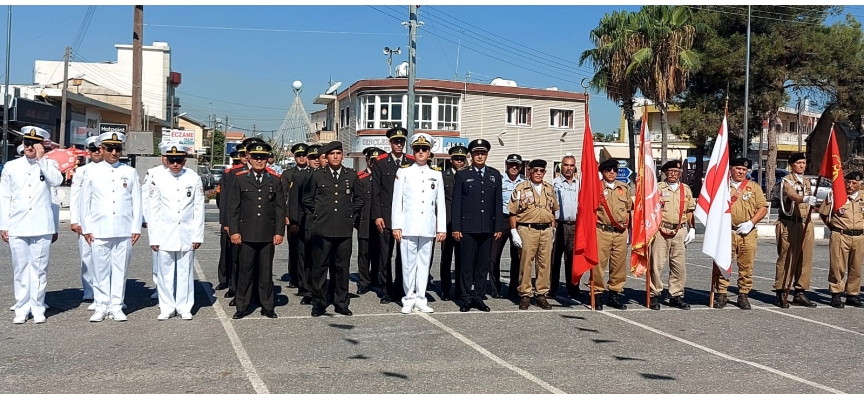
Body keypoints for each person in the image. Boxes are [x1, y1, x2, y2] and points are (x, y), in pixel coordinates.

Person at [0, 126, 62, 324]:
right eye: (27, 143)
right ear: (22, 144)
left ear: (42, 145)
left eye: (34, 144)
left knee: (39, 268)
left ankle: (37, 306)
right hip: (17, 224)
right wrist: (4, 224)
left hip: (41, 225)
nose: (30, 148)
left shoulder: (49, 164)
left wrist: (42, 160)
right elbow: (5, 197)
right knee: (20, 267)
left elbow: (56, 181)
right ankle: (21, 306)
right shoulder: (12, 166)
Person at [79, 132, 142, 322]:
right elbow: (85, 202)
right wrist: (86, 228)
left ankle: (116, 305)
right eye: (110, 149)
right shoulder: (91, 171)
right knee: (99, 269)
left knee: (120, 269)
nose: (114, 152)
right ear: (102, 150)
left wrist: (136, 227)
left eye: (118, 149)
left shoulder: (129, 172)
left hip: (123, 229)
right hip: (99, 228)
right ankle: (101, 305)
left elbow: (137, 202)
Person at [301, 141, 364, 317]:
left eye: (338, 153)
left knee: (341, 268)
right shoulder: (317, 176)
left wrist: (349, 214)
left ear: (342, 155)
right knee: (320, 268)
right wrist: (319, 214)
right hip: (322, 229)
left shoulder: (350, 175)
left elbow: (359, 199)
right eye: (332, 153)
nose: (335, 156)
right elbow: (307, 199)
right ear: (326, 157)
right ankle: (319, 303)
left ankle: (341, 302)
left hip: (343, 230)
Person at [228, 141, 285, 319]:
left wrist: (279, 232)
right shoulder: (240, 178)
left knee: (266, 272)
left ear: (267, 159)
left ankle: (267, 306)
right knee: (245, 271)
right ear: (249, 159)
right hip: (245, 234)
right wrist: (234, 231)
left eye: (263, 158)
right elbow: (234, 208)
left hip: (267, 235)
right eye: (256, 158)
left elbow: (279, 209)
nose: (259, 161)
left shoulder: (275, 180)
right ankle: (242, 306)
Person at [147, 145, 205, 320]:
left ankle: (184, 306)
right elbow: (153, 210)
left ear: (184, 161)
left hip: (186, 232)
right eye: (171, 161)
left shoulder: (193, 178)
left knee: (185, 272)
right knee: (165, 272)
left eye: (178, 161)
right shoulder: (158, 178)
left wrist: (197, 235)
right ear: (166, 160)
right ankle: (166, 307)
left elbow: (198, 209)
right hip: (165, 232)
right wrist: (154, 237)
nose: (175, 165)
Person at [391, 134, 446, 314]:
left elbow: (440, 204)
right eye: (417, 149)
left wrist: (441, 228)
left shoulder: (436, 174)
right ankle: (408, 298)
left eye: (424, 149)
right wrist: (396, 226)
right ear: (413, 151)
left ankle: (421, 298)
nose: (420, 152)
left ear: (430, 152)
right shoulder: (404, 172)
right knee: (407, 264)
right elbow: (397, 201)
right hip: (408, 226)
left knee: (424, 264)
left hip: (427, 227)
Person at [453, 139, 504, 312]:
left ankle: (479, 296)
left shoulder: (494, 175)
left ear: (487, 155)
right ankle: (466, 297)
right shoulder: (462, 175)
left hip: (487, 228)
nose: (480, 156)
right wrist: (456, 227)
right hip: (468, 227)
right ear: (471, 155)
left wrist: (498, 227)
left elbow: (498, 203)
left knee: (483, 265)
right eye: (476, 153)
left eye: (482, 153)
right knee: (467, 264)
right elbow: (457, 204)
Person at [713, 158, 767, 309]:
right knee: (723, 263)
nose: (741, 172)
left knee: (746, 266)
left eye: (744, 170)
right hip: (726, 231)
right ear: (731, 169)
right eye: (738, 169)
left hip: (747, 232)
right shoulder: (722, 186)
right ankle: (722, 293)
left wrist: (751, 223)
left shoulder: (753, 187)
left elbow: (762, 208)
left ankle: (743, 294)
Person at [371, 127, 415, 304]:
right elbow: (376, 192)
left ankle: (400, 287)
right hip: (387, 216)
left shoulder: (411, 161)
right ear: (390, 143)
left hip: (406, 217)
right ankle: (386, 290)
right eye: (395, 141)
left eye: (401, 141)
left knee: (403, 255)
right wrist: (377, 216)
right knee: (385, 255)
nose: (399, 144)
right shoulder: (380, 162)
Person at [508, 159, 559, 310]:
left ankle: (541, 294)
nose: (538, 173)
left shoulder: (549, 188)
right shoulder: (521, 188)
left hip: (546, 230)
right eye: (535, 170)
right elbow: (513, 212)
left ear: (544, 172)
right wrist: (513, 231)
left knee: (544, 263)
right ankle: (525, 294)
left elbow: (553, 210)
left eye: (541, 171)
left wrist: (553, 228)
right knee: (526, 262)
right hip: (527, 229)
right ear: (529, 171)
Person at [649, 160, 696, 310]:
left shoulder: (686, 189)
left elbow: (689, 211)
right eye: (670, 172)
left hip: (680, 230)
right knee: (656, 265)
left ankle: (676, 295)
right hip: (660, 230)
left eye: (676, 172)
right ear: (665, 173)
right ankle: (654, 294)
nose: (673, 174)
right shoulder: (657, 188)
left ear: (680, 174)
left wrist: (692, 228)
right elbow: (650, 209)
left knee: (679, 266)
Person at [774, 152, 817, 308]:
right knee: (786, 258)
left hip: (806, 223)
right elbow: (792, 195)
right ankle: (781, 290)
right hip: (790, 223)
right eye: (799, 163)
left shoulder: (806, 182)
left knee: (805, 258)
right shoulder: (786, 181)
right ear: (791, 165)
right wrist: (804, 199)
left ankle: (800, 291)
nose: (801, 165)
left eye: (804, 163)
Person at [819, 171, 864, 309]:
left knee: (856, 267)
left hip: (859, 236)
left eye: (854, 183)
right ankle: (836, 294)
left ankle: (852, 295)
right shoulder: (835, 195)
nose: (850, 185)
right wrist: (834, 228)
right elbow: (824, 213)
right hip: (840, 234)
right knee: (837, 266)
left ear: (861, 184)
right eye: (848, 182)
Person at [592, 159, 632, 310]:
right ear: (602, 172)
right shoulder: (596, 188)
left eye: (614, 170)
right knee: (598, 265)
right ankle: (597, 293)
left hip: (620, 232)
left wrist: (630, 231)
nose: (611, 173)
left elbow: (628, 210)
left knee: (618, 265)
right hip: (602, 231)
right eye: (608, 170)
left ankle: (614, 294)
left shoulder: (624, 188)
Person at [69, 136, 103, 304]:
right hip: (85, 219)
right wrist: (75, 220)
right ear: (89, 152)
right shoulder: (82, 171)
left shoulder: (111, 170)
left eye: (99, 149)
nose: (97, 152)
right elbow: (74, 196)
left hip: (103, 220)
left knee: (104, 258)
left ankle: (103, 290)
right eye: (93, 149)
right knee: (87, 257)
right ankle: (89, 290)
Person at [289, 144, 321, 305]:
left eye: (317, 157)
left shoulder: (323, 175)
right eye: (312, 158)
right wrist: (294, 221)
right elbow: (294, 201)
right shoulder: (300, 177)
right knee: (304, 256)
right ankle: (305, 288)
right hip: (304, 221)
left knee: (318, 258)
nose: (315, 161)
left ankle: (317, 287)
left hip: (322, 223)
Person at [490, 153, 524, 298]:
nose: (513, 167)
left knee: (517, 257)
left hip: (518, 221)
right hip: (501, 220)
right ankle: (495, 287)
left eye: (516, 165)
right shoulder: (499, 180)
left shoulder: (524, 183)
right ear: (506, 165)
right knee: (494, 256)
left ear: (521, 167)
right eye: (511, 164)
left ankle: (514, 288)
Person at [142, 142, 171, 300]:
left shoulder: (183, 173)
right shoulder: (153, 173)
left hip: (174, 221)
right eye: (166, 156)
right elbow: (145, 195)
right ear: (162, 157)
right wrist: (144, 217)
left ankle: (173, 287)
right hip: (157, 220)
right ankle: (158, 286)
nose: (168, 160)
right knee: (157, 256)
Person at [439, 144, 468, 301]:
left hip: (464, 224)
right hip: (448, 222)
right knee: (446, 257)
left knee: (462, 258)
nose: (459, 162)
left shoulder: (469, 176)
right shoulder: (443, 176)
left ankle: (459, 289)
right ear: (451, 160)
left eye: (462, 159)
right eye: (457, 159)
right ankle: (445, 289)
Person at [550, 154, 580, 299]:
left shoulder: (580, 184)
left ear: (575, 167)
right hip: (558, 224)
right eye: (566, 165)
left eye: (571, 165)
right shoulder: (553, 183)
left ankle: (573, 288)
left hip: (575, 226)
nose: (569, 168)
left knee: (573, 259)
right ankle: (552, 288)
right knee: (554, 259)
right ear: (561, 166)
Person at [280, 143, 309, 288]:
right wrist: (286, 215)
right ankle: (294, 277)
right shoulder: (288, 174)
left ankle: (305, 277)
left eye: (304, 155)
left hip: (307, 217)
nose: (302, 158)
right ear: (295, 157)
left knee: (306, 250)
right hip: (292, 217)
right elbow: (284, 196)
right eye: (299, 155)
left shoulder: (313, 172)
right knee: (294, 249)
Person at [356, 147, 384, 295]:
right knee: (364, 254)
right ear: (367, 161)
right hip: (364, 222)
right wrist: (357, 222)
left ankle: (375, 278)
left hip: (380, 222)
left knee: (379, 252)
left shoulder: (384, 177)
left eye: (377, 160)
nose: (374, 163)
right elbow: (355, 202)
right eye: (371, 160)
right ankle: (363, 281)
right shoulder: (360, 178)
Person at [215, 150, 244, 293]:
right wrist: (225, 222)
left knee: (236, 255)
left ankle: (234, 282)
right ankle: (224, 279)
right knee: (225, 251)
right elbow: (223, 200)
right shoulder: (229, 174)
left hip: (242, 221)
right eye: (237, 161)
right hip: (228, 219)